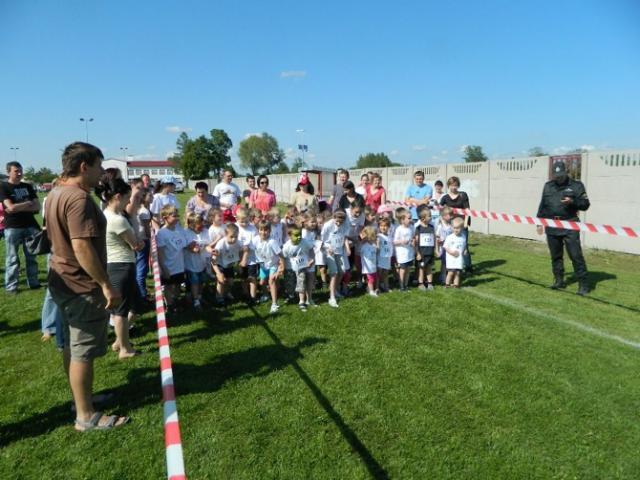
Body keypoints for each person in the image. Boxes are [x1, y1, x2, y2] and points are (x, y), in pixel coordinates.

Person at [45, 141, 128, 431]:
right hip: (80, 286)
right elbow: (81, 246)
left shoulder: (56, 193)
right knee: (82, 351)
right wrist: (105, 284)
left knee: (72, 345)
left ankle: (81, 400)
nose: (101, 172)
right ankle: (85, 415)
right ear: (84, 166)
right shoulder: (78, 199)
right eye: (98, 166)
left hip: (62, 281)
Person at [101, 177, 143, 359]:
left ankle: (120, 341)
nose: (128, 202)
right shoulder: (118, 220)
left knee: (136, 304)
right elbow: (135, 245)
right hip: (120, 266)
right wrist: (140, 242)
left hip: (119, 264)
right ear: (118, 197)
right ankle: (125, 349)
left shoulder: (106, 214)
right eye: (127, 198)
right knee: (122, 311)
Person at [536, 161, 591, 295]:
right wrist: (539, 222)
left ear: (566, 172)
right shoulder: (548, 186)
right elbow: (543, 205)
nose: (559, 178)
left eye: (561, 175)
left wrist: (573, 202)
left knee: (575, 256)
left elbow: (585, 204)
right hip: (552, 225)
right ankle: (559, 281)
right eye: (556, 176)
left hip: (570, 225)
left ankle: (583, 284)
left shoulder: (576, 185)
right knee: (556, 256)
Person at [0, 161, 41, 293]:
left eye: (20, 171)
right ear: (8, 172)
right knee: (12, 258)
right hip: (13, 227)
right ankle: (11, 287)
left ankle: (34, 283)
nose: (19, 173)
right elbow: (10, 208)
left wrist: (18, 206)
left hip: (30, 225)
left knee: (32, 257)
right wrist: (28, 203)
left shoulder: (27, 186)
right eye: (16, 171)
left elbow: (37, 206)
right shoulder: (3, 187)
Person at [156, 205, 188, 314]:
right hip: (169, 266)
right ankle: (169, 305)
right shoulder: (161, 233)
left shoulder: (179, 230)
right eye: (174, 216)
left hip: (179, 265)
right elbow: (160, 253)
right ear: (165, 217)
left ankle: (175, 301)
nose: (177, 218)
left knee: (178, 285)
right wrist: (163, 268)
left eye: (177, 215)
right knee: (169, 286)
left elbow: (184, 245)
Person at [439, 176, 472, 271]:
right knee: (451, 245)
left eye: (456, 185)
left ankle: (468, 267)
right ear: (448, 185)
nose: (454, 187)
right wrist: (443, 221)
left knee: (464, 245)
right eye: (452, 185)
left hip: (462, 224)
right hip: (451, 225)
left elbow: (467, 210)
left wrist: (465, 223)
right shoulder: (445, 197)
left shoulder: (463, 195)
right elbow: (440, 210)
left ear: (458, 185)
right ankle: (453, 265)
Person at [252, 220, 284, 314]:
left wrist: (282, 266)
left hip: (273, 265)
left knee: (271, 281)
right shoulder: (255, 240)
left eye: (266, 230)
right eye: (261, 230)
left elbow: (281, 255)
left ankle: (274, 304)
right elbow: (248, 248)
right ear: (258, 230)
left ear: (270, 231)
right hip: (263, 265)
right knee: (262, 282)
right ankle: (266, 295)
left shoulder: (272, 242)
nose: (263, 232)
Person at [211, 223, 247, 306]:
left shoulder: (238, 242)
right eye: (231, 237)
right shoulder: (221, 244)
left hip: (229, 265)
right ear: (226, 235)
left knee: (230, 282)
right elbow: (213, 260)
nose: (234, 239)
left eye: (236, 237)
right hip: (220, 265)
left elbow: (244, 250)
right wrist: (218, 273)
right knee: (221, 281)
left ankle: (226, 293)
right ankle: (219, 298)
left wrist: (241, 262)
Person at [282, 226, 315, 312]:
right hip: (289, 268)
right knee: (290, 285)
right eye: (296, 235)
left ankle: (302, 301)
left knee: (301, 282)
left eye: (300, 234)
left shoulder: (304, 242)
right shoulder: (286, 246)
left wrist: (311, 259)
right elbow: (283, 257)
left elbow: (311, 249)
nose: (299, 237)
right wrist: (282, 267)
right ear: (289, 235)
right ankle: (291, 295)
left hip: (301, 266)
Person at [321, 209, 350, 308]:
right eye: (337, 220)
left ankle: (334, 289)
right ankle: (332, 298)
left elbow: (344, 237)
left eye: (341, 220)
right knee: (334, 273)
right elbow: (322, 239)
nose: (339, 223)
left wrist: (347, 248)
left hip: (339, 251)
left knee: (342, 271)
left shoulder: (345, 224)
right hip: (329, 251)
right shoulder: (328, 225)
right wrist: (327, 248)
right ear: (334, 217)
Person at [183, 212, 211, 311]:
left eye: (202, 222)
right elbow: (189, 248)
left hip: (202, 262)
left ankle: (199, 296)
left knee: (201, 281)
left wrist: (211, 250)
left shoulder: (205, 231)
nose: (202, 225)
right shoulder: (186, 233)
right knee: (194, 282)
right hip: (191, 264)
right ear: (191, 225)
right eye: (199, 224)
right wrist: (192, 248)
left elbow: (208, 244)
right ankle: (196, 301)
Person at [393, 210, 415, 291]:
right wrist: (402, 242)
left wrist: (413, 242)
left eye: (411, 218)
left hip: (409, 253)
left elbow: (413, 237)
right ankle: (401, 286)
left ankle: (406, 285)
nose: (411, 219)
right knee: (402, 270)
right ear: (402, 220)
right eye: (409, 218)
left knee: (408, 270)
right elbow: (395, 242)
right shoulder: (399, 229)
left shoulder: (411, 227)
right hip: (402, 254)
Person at [414, 208, 436, 291]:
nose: (431, 217)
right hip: (422, 253)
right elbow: (416, 242)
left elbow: (434, 239)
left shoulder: (432, 227)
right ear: (423, 218)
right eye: (429, 216)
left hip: (430, 252)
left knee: (429, 268)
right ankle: (421, 283)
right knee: (421, 268)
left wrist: (435, 249)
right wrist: (417, 253)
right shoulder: (418, 228)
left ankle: (430, 283)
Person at [443, 217, 467, 288]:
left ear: (462, 228)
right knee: (451, 272)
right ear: (452, 227)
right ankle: (447, 284)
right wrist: (451, 253)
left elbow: (464, 245)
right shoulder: (450, 237)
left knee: (458, 272)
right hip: (451, 258)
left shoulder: (463, 237)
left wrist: (465, 250)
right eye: (454, 228)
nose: (456, 230)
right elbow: (446, 247)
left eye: (458, 228)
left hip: (459, 258)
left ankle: (456, 284)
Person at [359, 226, 378, 297]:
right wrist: (362, 240)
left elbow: (376, 252)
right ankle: (371, 291)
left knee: (374, 278)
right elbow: (360, 252)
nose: (375, 237)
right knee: (370, 279)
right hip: (368, 267)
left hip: (373, 266)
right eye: (373, 236)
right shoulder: (364, 246)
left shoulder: (373, 245)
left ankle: (368, 288)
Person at [376, 217, 393, 293]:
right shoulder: (379, 236)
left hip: (387, 257)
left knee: (386, 273)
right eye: (381, 226)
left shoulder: (390, 236)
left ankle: (386, 287)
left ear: (388, 227)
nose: (383, 227)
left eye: (385, 226)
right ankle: (377, 287)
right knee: (379, 273)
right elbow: (377, 246)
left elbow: (390, 246)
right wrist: (377, 244)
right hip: (380, 257)